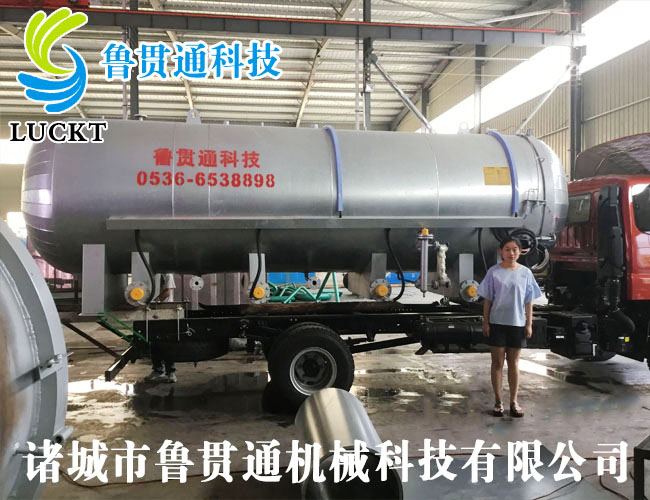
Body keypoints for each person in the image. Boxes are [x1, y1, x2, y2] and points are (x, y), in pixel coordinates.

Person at [477, 237, 542, 418]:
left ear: (520, 252)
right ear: (501, 252)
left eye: (514, 249)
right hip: (497, 323)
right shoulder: (494, 272)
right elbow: (487, 300)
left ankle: (514, 401)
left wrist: (529, 323)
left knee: (513, 364)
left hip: (517, 324)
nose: (511, 253)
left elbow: (529, 301)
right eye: (507, 249)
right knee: (497, 363)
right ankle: (498, 402)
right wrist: (486, 322)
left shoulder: (525, 273)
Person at [145, 273, 177, 383]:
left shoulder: (168, 273)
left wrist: (153, 302)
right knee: (154, 342)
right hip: (154, 312)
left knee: (168, 343)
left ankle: (171, 372)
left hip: (166, 311)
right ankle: (157, 370)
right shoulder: (153, 273)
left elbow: (167, 292)